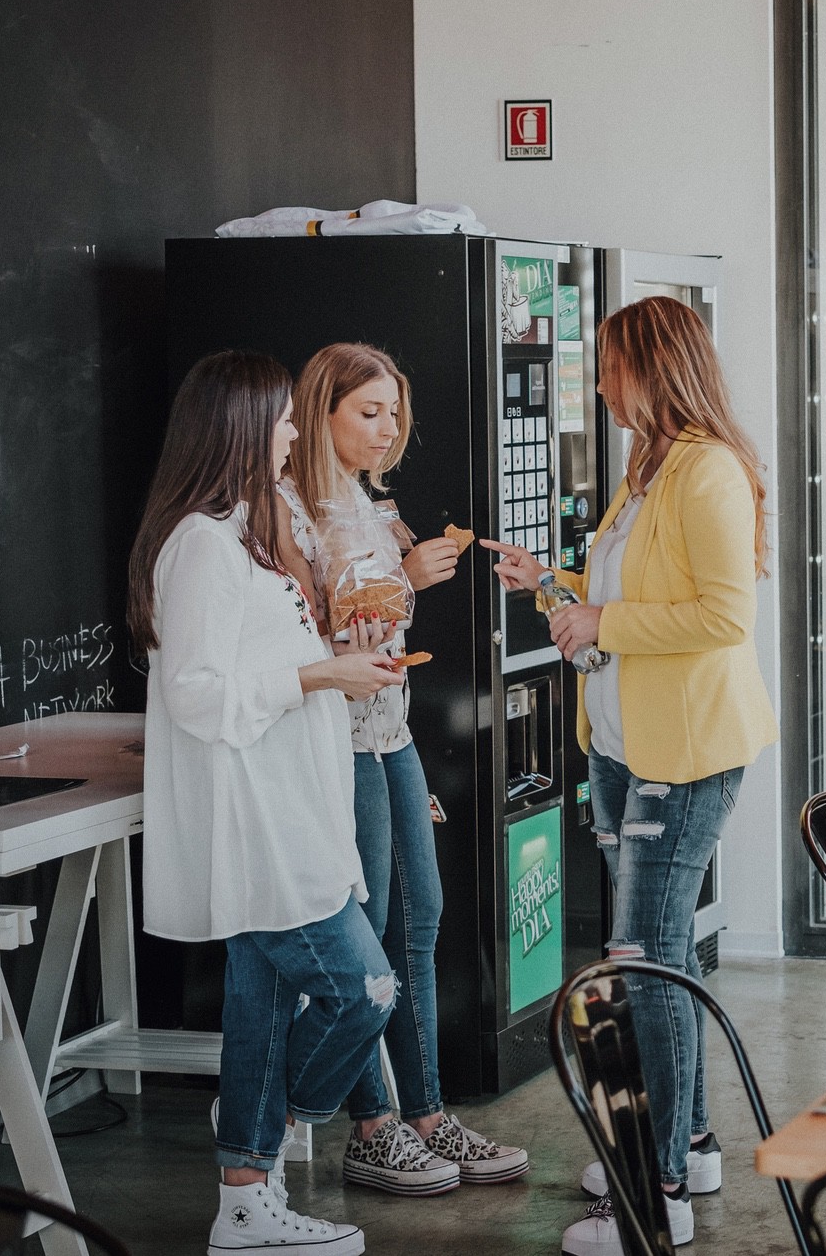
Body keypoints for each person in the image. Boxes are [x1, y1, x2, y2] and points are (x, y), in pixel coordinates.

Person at [483, 296, 776, 1253]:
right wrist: (552, 585)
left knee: (643, 963)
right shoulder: (649, 467)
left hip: (682, 755)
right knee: (663, 958)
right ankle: (686, 1146)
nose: (599, 383)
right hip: (622, 747)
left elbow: (724, 615)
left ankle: (652, 1199)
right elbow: (625, 598)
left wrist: (601, 623)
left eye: (609, 366)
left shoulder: (708, 472)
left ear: (652, 367)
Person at [130, 350, 402, 1256]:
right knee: (365, 990)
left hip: (292, 807)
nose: (295, 431)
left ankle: (244, 1199)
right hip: (261, 824)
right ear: (243, 426)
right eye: (284, 419)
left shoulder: (247, 530)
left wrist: (340, 649)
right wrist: (324, 669)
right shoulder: (202, 544)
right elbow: (198, 693)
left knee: (264, 1003)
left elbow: (261, 662)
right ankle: (264, 1133)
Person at [278, 342, 529, 1196]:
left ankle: (426, 1114)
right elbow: (321, 637)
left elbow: (378, 641)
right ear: (323, 412)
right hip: (332, 743)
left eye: (394, 412)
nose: (388, 430)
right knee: (366, 939)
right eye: (369, 412)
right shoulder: (293, 509)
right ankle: (371, 1125)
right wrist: (407, 574)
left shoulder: (366, 499)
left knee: (419, 918)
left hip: (390, 735)